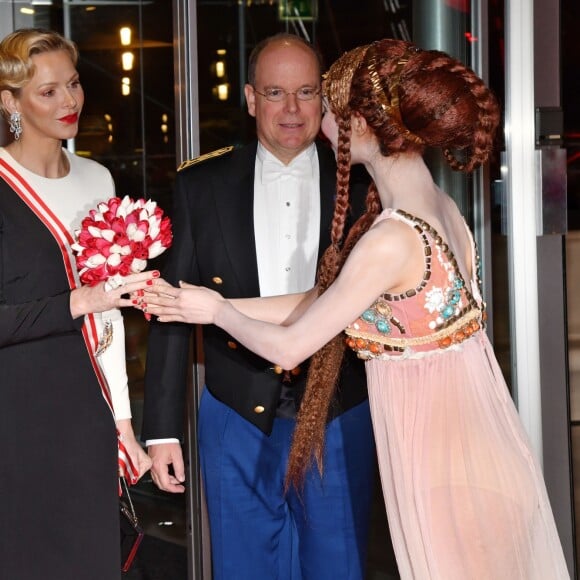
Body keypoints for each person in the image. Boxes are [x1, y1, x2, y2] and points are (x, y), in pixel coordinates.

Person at [143, 38, 571, 579]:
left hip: (432, 452)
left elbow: (296, 341)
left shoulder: (388, 236)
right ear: (252, 99)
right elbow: (324, 301)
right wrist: (203, 303)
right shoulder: (443, 208)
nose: (310, 112)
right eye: (279, 93)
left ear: (363, 126)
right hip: (467, 443)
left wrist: (218, 312)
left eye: (322, 100)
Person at [142, 33, 376, 580]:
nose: (292, 109)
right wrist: (162, 431)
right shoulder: (201, 183)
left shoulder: (365, 181)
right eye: (275, 92)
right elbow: (174, 308)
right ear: (250, 99)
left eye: (306, 92)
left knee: (338, 568)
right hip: (235, 411)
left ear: (325, 100)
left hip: (339, 411)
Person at [0, 28, 154, 579]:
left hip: (88, 414)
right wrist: (76, 300)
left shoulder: (98, 177)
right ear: (9, 101)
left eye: (74, 83)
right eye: (48, 92)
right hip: (16, 419)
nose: (69, 102)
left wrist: (125, 423)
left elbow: (107, 315)